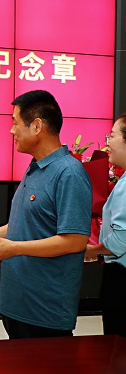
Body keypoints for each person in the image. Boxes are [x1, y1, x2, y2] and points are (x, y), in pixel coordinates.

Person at [0, 90, 92, 339]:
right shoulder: (36, 168)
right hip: (16, 303)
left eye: (15, 123)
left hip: (44, 310)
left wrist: (14, 248)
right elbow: (30, 221)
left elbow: (75, 241)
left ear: (37, 126)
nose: (11, 131)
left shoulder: (69, 173)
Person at [85, 114, 126, 337]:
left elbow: (121, 239)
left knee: (117, 343)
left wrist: (93, 250)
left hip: (121, 276)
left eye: (112, 136)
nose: (107, 142)